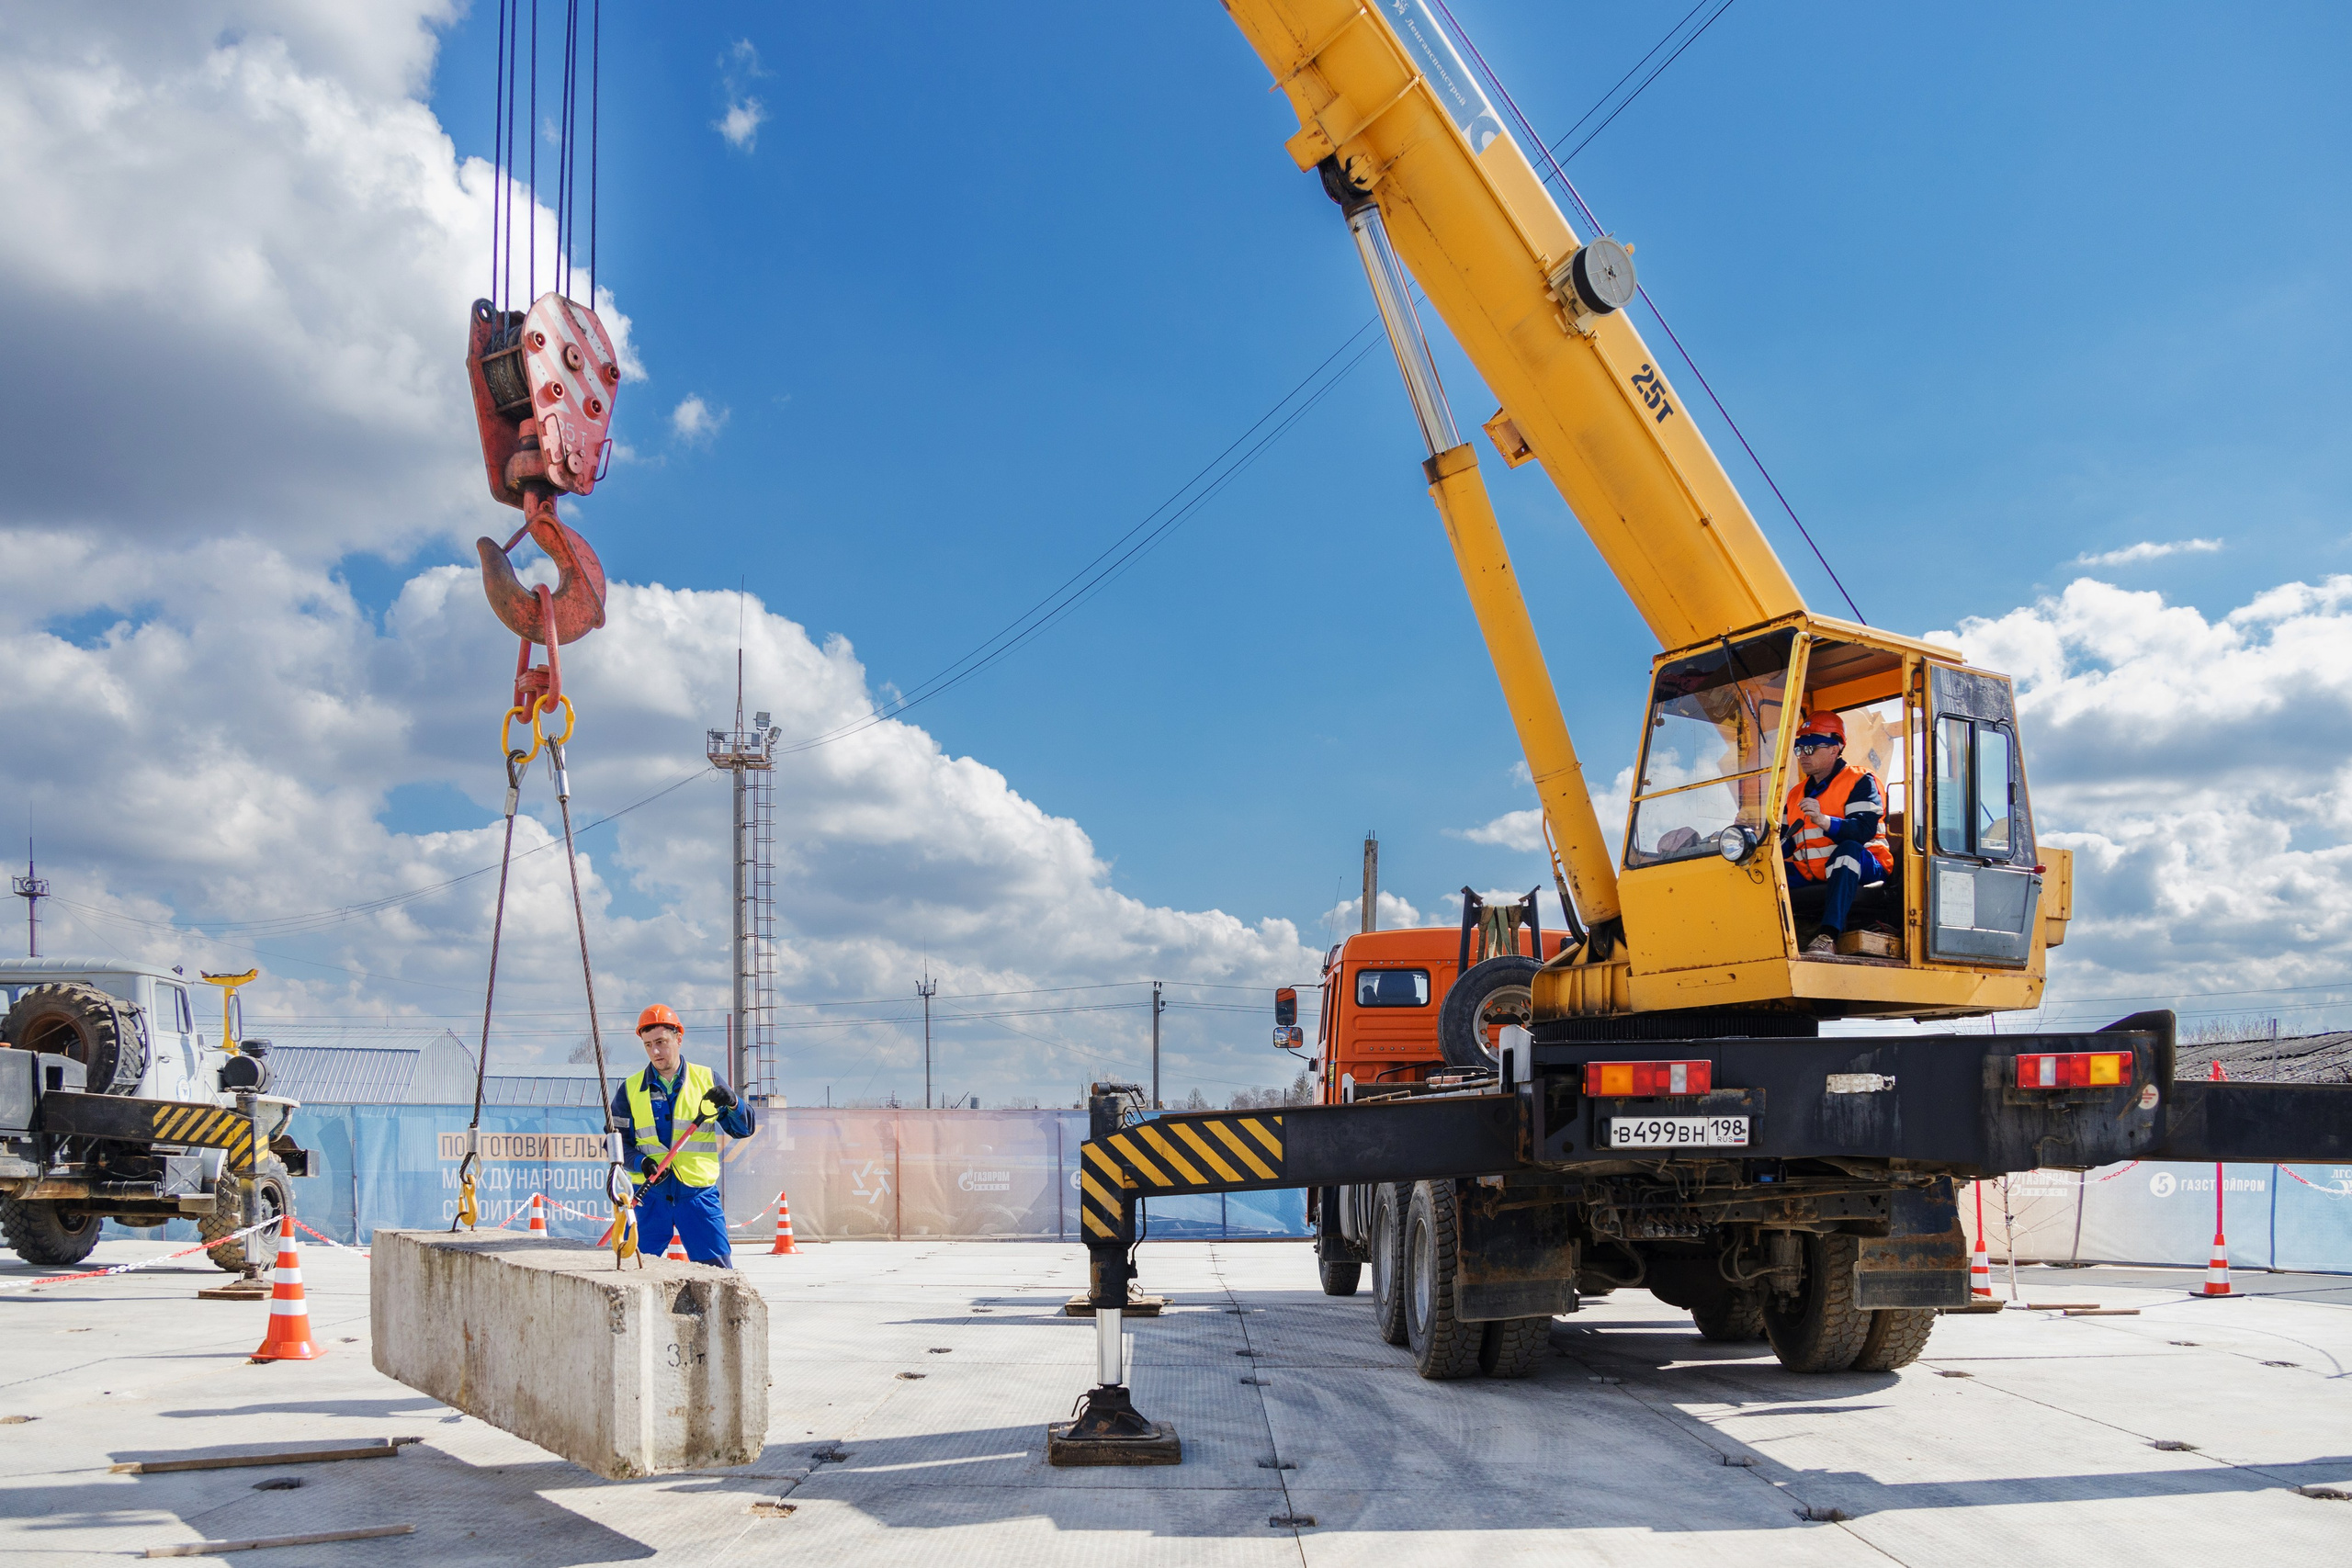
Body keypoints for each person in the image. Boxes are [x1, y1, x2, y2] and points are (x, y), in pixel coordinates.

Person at [611, 1003, 757, 1265]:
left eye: (661, 1042)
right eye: (647, 1045)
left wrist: (734, 1102)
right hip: (649, 1196)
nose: (655, 1051)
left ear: (679, 1038)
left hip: (698, 1196)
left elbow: (744, 1129)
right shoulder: (630, 1089)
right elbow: (615, 1143)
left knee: (719, 1276)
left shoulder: (707, 1079)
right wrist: (641, 1162)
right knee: (632, 1270)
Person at [1781, 710, 1894, 955]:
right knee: (1763, 873)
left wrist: (1823, 820)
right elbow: (1785, 843)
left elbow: (1862, 831)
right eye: (1799, 748)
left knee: (1848, 851)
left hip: (1865, 865)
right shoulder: (1795, 793)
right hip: (1813, 872)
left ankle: (1828, 936)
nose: (1803, 755)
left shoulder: (1861, 780)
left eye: (1810, 748)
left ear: (1835, 748)